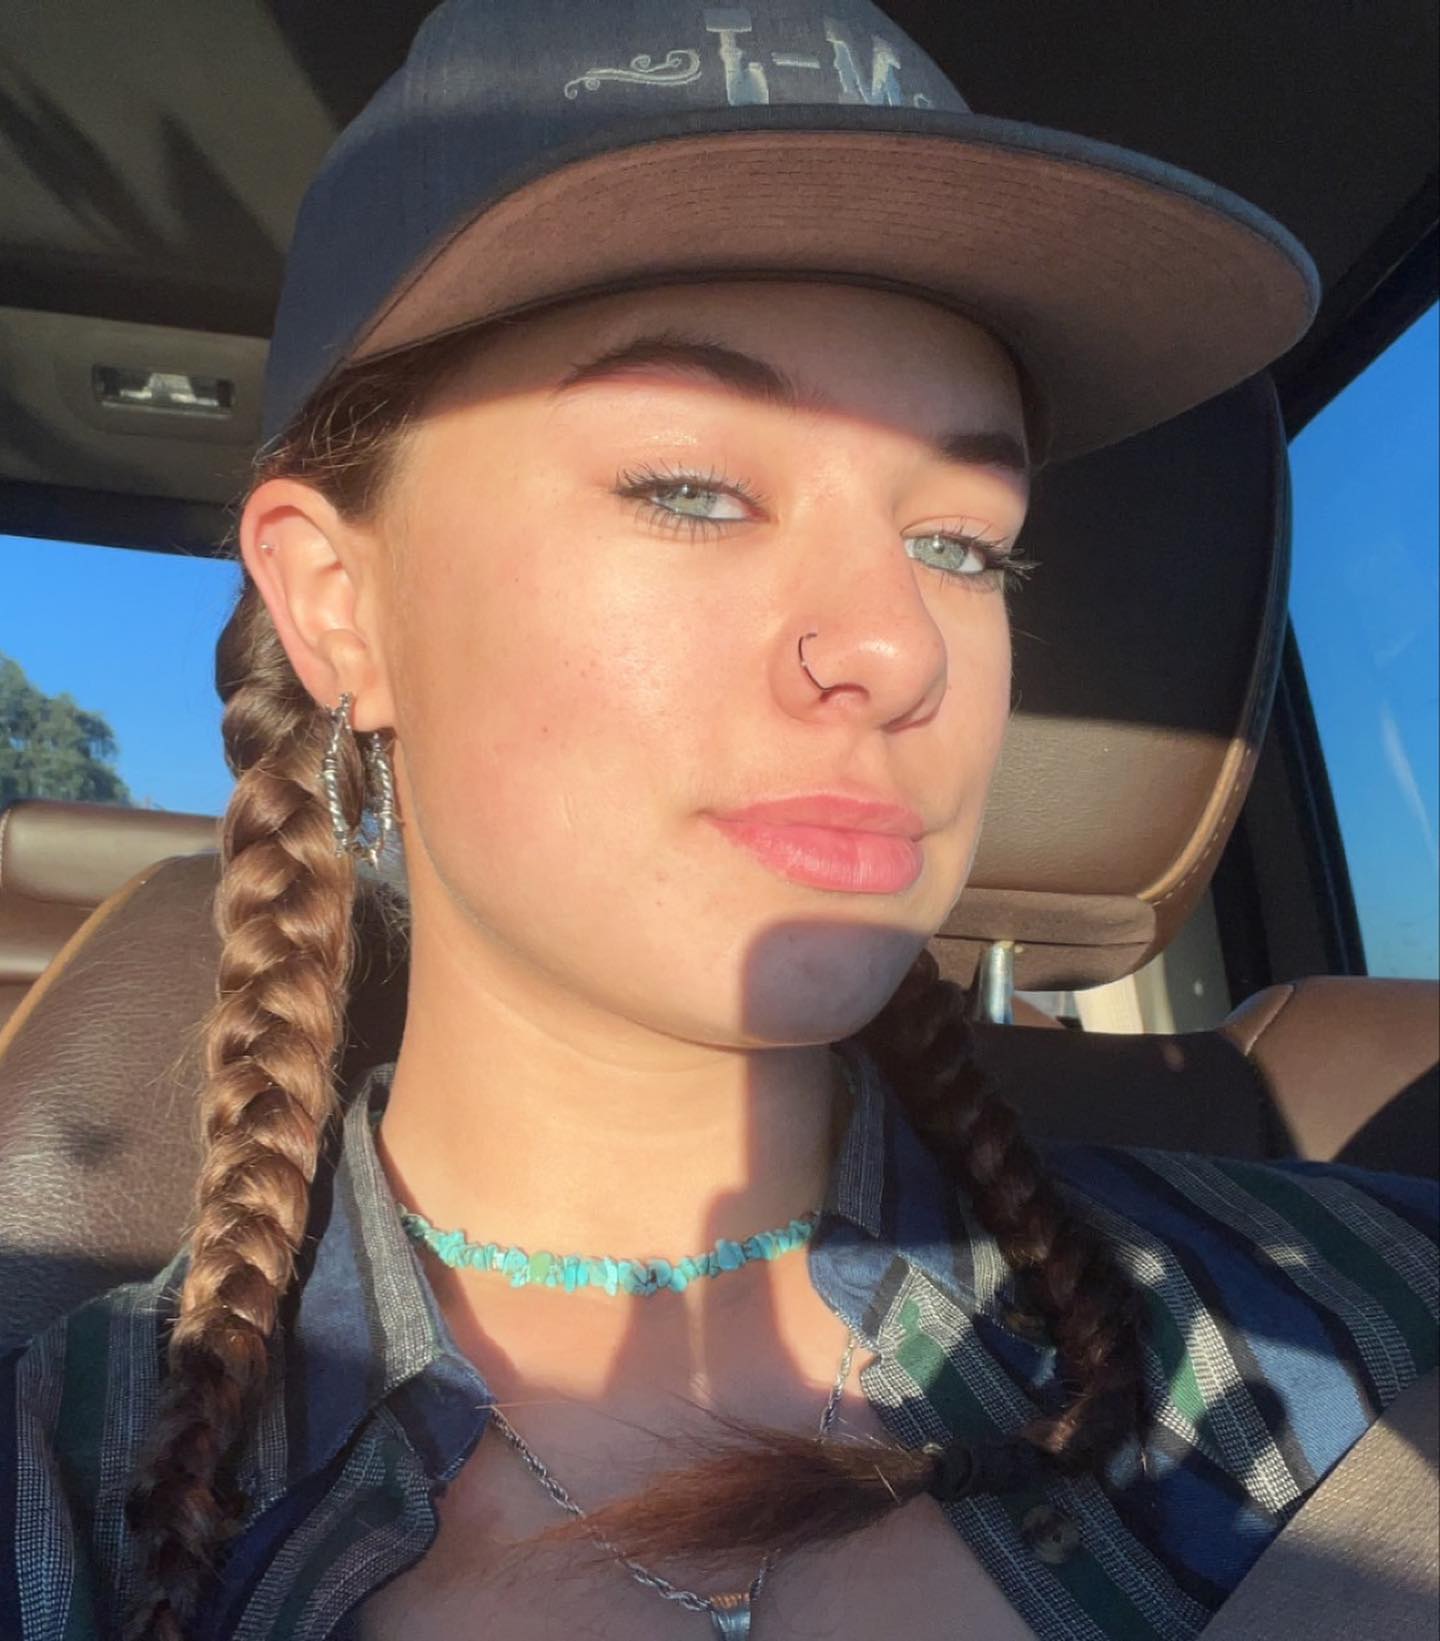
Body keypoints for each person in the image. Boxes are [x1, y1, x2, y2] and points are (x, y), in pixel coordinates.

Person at [2, 2, 1436, 1638]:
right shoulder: (62, 1487)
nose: (899, 646)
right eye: (691, 489)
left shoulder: (1349, 1333)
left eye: (965, 544)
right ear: (338, 605)